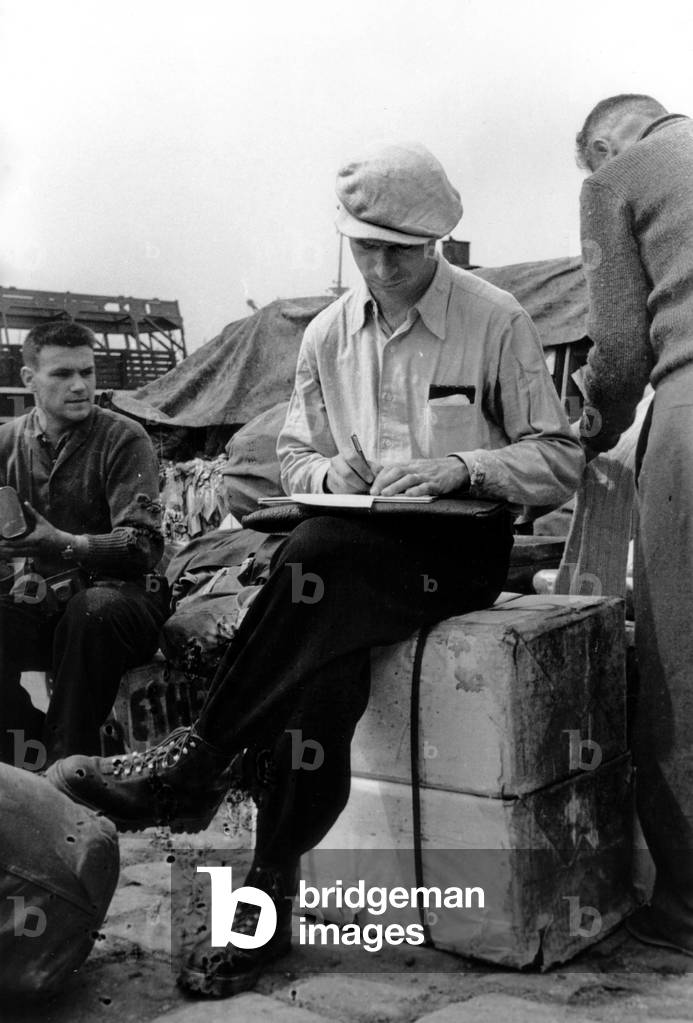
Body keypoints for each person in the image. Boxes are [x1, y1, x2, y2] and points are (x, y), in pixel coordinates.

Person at [47, 142, 583, 997]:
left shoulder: (495, 319)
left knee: (312, 560)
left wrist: (461, 469)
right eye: (363, 248)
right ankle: (265, 900)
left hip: (456, 550)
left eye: (397, 251)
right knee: (317, 683)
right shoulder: (330, 333)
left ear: (437, 241)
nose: (378, 268)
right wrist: (330, 474)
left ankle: (197, 759)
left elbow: (558, 456)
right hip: (351, 549)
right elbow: (295, 456)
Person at [574, 94, 693, 954]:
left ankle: (686, 907)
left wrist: (589, 431)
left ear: (601, 142)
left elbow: (619, 353)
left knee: (678, 664)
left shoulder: (615, 176)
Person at [0, 321, 167, 766]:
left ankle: (68, 771)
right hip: (42, 600)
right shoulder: (6, 442)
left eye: (88, 373)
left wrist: (65, 544)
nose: (80, 386)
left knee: (91, 610)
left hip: (125, 603)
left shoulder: (124, 438)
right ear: (28, 379)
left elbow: (144, 546)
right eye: (62, 374)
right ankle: (22, 759)